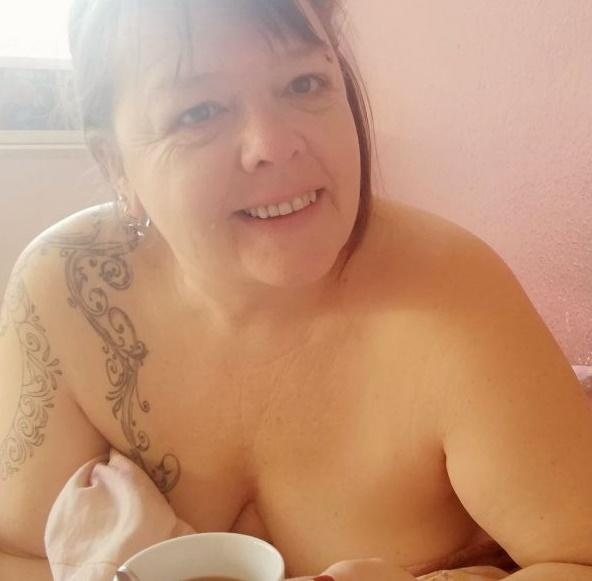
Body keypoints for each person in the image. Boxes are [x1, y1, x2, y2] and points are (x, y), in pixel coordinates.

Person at [1, 1, 591, 579]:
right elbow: (15, 555)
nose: (273, 143)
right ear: (116, 165)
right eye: (199, 111)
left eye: (304, 83)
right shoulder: (67, 296)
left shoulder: (454, 296)